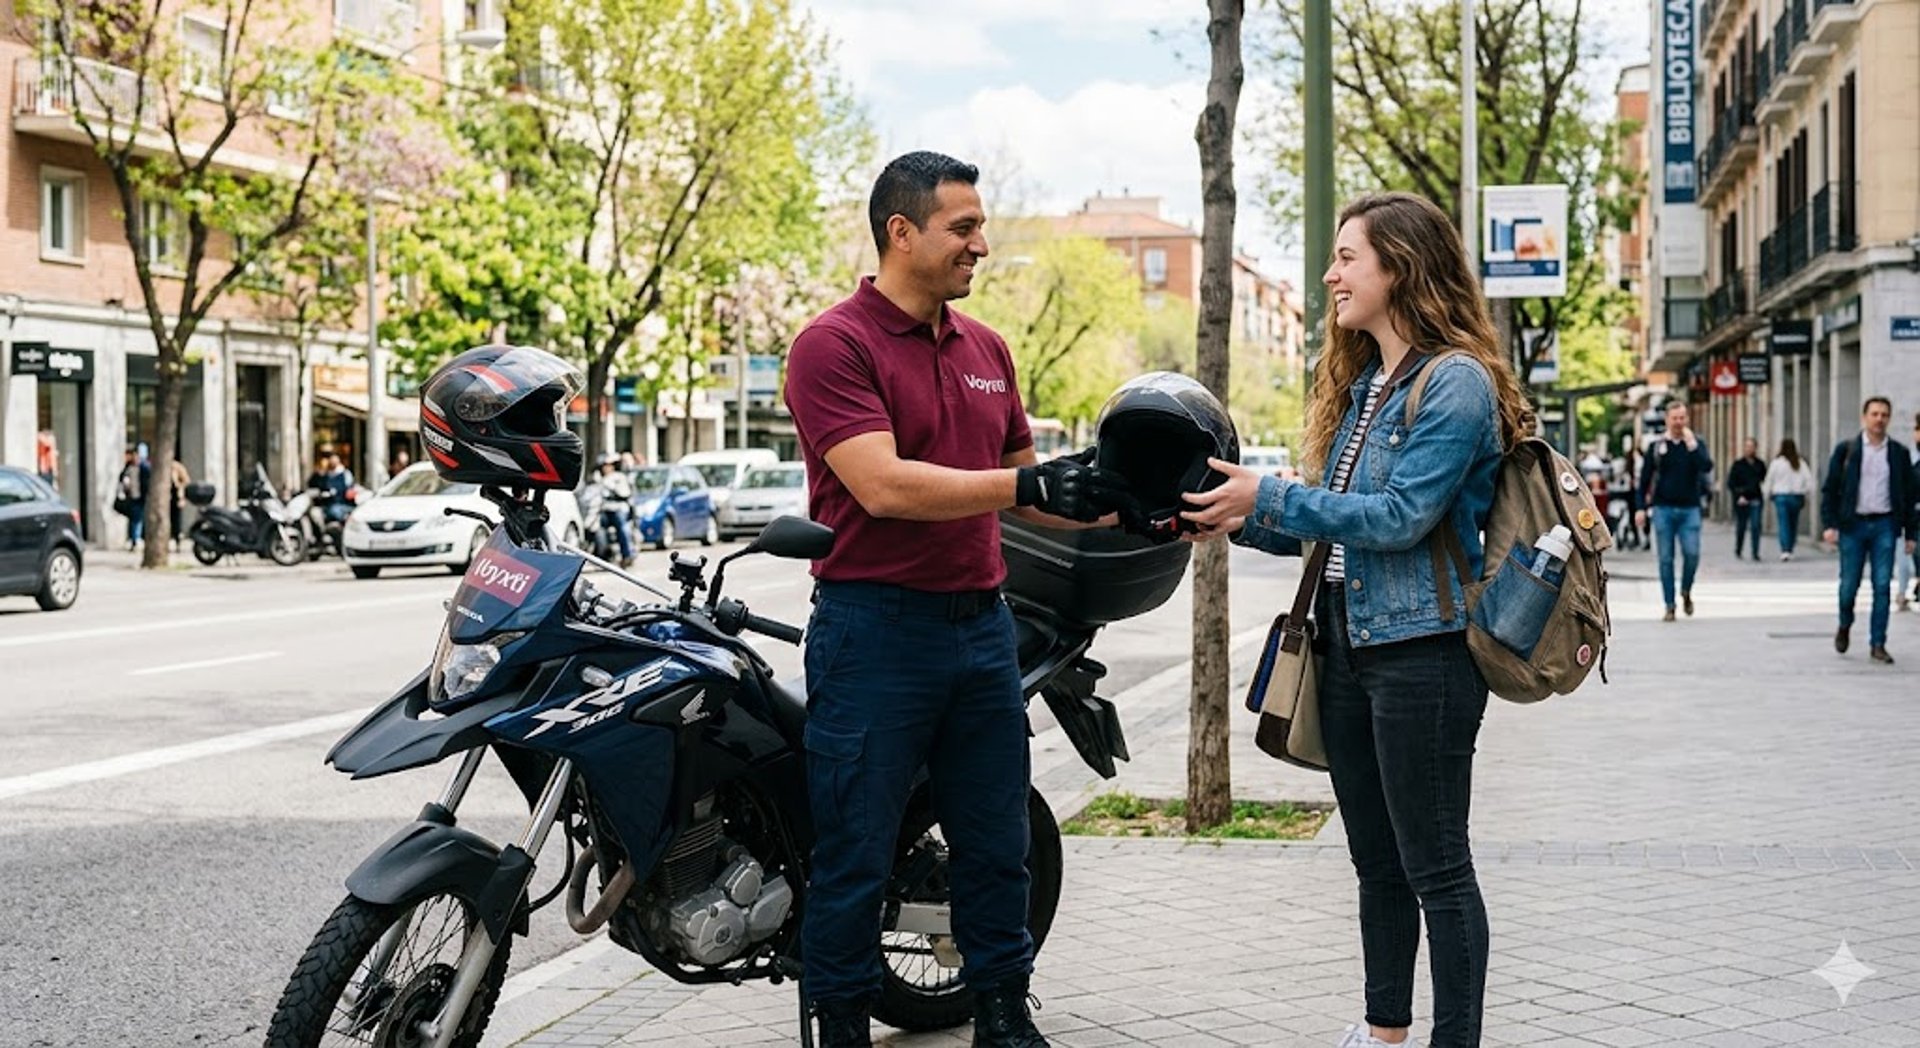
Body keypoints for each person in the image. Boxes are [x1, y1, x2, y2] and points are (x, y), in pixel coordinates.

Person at [783, 150, 1127, 1048]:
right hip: (873, 632)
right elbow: (885, 486)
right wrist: (1033, 490)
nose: (983, 243)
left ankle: (1005, 1018)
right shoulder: (834, 345)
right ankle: (843, 1027)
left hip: (983, 632)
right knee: (856, 853)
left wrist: (1146, 512)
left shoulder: (988, 350)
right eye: (963, 227)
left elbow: (1035, 497)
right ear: (902, 233)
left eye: (982, 225)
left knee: (994, 843)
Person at [1185, 191, 1533, 1048]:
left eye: (1347, 257)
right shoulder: (1368, 383)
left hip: (1425, 657)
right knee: (1376, 863)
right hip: (1347, 643)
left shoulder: (1454, 380)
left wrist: (1275, 493)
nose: (1332, 274)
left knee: (1437, 868)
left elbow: (1399, 517)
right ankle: (1385, 1033)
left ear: (1400, 266)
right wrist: (1236, 513)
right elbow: (1336, 526)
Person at [1820, 397, 1918, 663]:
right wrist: (1829, 524)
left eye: (1884, 414)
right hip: (1853, 525)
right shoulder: (1847, 450)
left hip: (1885, 525)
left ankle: (1878, 643)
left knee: (1883, 585)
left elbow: (1909, 496)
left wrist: (1911, 534)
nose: (1879, 419)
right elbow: (1829, 489)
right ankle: (1844, 623)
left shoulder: (1898, 454)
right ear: (1865, 417)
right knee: (1848, 586)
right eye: (1874, 414)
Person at [1636, 402, 1714, 622]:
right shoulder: (1657, 447)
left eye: (1682, 418)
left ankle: (1686, 590)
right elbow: (1644, 480)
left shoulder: (1696, 444)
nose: (1679, 422)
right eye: (1675, 418)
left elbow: (1706, 466)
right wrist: (1641, 508)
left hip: (1690, 509)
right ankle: (1669, 605)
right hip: (1663, 509)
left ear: (1687, 420)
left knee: (1692, 554)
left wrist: (1692, 445)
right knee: (1665, 559)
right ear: (1667, 420)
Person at [1763, 437, 1815, 561]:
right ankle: (1790, 547)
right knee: (1793, 523)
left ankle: (1785, 549)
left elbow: (1770, 479)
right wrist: (1808, 493)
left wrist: (1766, 494)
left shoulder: (1776, 463)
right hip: (1796, 497)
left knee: (1783, 523)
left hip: (1781, 496)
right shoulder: (1799, 462)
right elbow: (1808, 480)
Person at [593, 453, 636, 567]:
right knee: (597, 527)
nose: (606, 468)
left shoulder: (619, 477)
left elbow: (624, 493)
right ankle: (603, 554)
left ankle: (627, 554)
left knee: (622, 527)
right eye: (604, 466)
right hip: (604, 509)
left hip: (618, 508)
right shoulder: (599, 479)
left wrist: (612, 488)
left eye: (609, 465)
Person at [1727, 438, 1766, 562]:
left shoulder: (1760, 464)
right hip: (1742, 500)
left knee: (1756, 526)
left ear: (1755, 448)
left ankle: (1755, 552)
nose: (1749, 449)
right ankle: (1738, 549)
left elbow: (1764, 479)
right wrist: (1739, 496)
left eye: (1751, 446)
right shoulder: (1738, 465)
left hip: (1756, 499)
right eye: (1747, 446)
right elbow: (1731, 483)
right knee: (1741, 526)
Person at [115, 446, 150, 549]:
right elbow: (121, 478)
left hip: (140, 496)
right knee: (135, 519)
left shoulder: (143, 467)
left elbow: (147, 481)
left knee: (137, 519)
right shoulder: (128, 467)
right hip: (131, 497)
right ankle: (134, 539)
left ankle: (136, 539)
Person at [169, 459, 191, 549]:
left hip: (176, 496)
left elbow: (186, 481)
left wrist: (178, 484)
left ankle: (177, 539)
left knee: (176, 520)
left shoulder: (177, 467)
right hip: (167, 497)